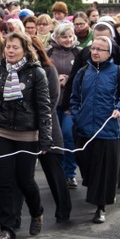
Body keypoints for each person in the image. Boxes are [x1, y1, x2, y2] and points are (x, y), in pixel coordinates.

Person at [0, 32, 52, 239]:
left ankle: (36, 211)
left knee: (25, 180)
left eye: (15, 47)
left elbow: (44, 107)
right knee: (4, 181)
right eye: (8, 47)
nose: (10, 51)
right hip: (1, 131)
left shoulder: (36, 73)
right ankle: (7, 228)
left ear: (25, 50)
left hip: (28, 133)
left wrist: (45, 138)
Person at [70, 36, 120, 224]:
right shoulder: (83, 73)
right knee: (86, 165)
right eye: (93, 48)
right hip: (84, 130)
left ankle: (100, 207)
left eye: (100, 49)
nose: (95, 52)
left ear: (110, 53)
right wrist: (77, 115)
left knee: (103, 170)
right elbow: (74, 99)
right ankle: (97, 191)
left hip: (108, 131)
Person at [30, 36, 72, 223]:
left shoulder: (48, 69)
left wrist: (38, 123)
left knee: (53, 171)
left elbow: (53, 99)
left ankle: (63, 209)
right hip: (25, 129)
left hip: (48, 127)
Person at [47, 22, 81, 189]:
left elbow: (83, 76)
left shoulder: (78, 53)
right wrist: (54, 79)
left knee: (68, 135)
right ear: (56, 37)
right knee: (54, 138)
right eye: (64, 36)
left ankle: (70, 173)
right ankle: (57, 173)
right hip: (52, 104)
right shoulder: (48, 53)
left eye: (70, 36)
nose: (68, 40)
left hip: (69, 103)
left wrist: (68, 79)